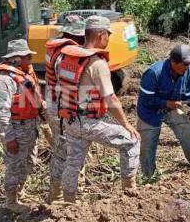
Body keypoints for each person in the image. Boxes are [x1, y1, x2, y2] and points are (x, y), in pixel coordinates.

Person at [56, 16, 141, 204]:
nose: (108, 39)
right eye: (108, 35)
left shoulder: (67, 57)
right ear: (101, 34)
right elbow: (110, 99)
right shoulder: (97, 63)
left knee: (73, 163)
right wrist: (126, 125)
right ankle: (130, 191)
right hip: (88, 122)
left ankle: (68, 202)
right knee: (132, 141)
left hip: (70, 120)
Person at [136, 44, 190, 177]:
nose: (187, 67)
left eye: (189, 64)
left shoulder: (189, 72)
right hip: (149, 112)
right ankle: (148, 177)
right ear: (173, 62)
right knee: (148, 145)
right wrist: (166, 103)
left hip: (172, 108)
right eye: (184, 64)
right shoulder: (154, 73)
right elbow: (145, 100)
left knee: (187, 131)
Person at [0, 39, 44, 213]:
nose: (31, 58)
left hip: (30, 127)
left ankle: (20, 192)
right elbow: (2, 112)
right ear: (17, 58)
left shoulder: (24, 74)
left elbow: (35, 100)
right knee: (15, 166)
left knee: (28, 162)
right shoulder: (3, 81)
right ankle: (11, 201)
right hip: (16, 130)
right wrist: (9, 139)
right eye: (28, 56)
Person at [44, 14, 85, 204]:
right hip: (63, 109)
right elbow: (68, 85)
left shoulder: (54, 48)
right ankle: (65, 196)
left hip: (53, 105)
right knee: (68, 151)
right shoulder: (67, 53)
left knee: (63, 149)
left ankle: (58, 193)